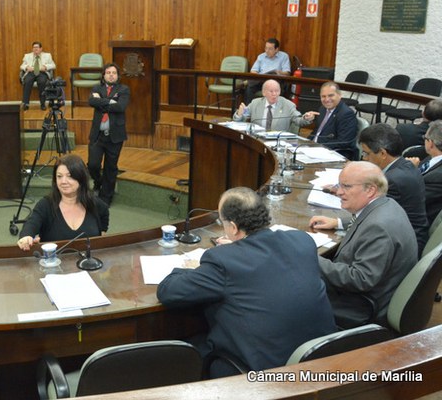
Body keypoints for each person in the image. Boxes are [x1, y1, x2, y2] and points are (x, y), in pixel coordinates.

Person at [157, 187, 336, 377]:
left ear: (233, 227)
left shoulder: (223, 261)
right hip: (322, 361)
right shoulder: (302, 241)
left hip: (267, 376)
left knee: (185, 353)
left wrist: (193, 267)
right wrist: (236, 248)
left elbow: (168, 291)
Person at [309, 161, 417, 328]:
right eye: (339, 185)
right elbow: (365, 218)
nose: (339, 192)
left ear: (370, 190)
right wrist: (338, 222)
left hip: (361, 307)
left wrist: (309, 257)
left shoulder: (378, 228)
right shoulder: (388, 205)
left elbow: (361, 279)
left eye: (346, 186)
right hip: (377, 292)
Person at [358, 123, 428, 254]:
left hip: (403, 246)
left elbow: (370, 216)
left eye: (366, 153)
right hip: (410, 234)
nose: (364, 158)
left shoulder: (392, 181)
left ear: (382, 153)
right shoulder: (405, 165)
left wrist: (339, 222)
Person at [17, 154, 109, 251]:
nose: (63, 181)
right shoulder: (46, 204)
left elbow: (104, 213)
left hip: (88, 260)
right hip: (55, 259)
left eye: (69, 176)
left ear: (81, 178)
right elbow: (31, 223)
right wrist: (26, 236)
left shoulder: (94, 203)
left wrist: (102, 233)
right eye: (59, 176)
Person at [88, 63, 129, 205]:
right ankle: (98, 181)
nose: (111, 75)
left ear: (118, 75)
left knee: (110, 168)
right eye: (108, 72)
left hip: (115, 136)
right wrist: (110, 101)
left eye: (114, 73)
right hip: (97, 135)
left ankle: (105, 198)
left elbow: (120, 106)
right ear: (103, 75)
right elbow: (91, 101)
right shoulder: (96, 88)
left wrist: (101, 102)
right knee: (92, 165)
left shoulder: (123, 89)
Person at [301, 81, 359, 160]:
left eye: (330, 95)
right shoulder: (322, 109)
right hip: (314, 151)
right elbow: (317, 132)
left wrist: (318, 147)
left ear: (339, 95)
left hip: (335, 154)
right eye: (323, 96)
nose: (327, 99)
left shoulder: (346, 114)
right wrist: (305, 143)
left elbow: (344, 142)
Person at [233, 79, 305, 132]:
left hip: (279, 141)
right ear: (264, 93)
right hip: (258, 140)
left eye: (277, 91)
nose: (274, 94)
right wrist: (239, 114)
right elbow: (239, 120)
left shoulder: (288, 105)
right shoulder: (255, 103)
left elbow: (299, 120)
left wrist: (306, 118)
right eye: (271, 91)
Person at [410, 120, 442, 227]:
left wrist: (411, 171)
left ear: (431, 143)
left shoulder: (437, 177)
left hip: (418, 222)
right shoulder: (432, 157)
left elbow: (414, 198)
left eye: (425, 138)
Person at [244, 38, 291, 102]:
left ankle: (247, 82)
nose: (267, 51)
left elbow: (287, 73)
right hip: (261, 82)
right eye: (266, 48)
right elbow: (253, 71)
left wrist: (278, 72)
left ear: (276, 49)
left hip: (275, 82)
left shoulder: (284, 56)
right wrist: (258, 76)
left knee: (273, 73)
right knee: (249, 87)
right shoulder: (261, 56)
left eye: (270, 49)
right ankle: (249, 107)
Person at [19, 41, 56, 110]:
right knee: (27, 81)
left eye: (37, 47)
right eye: (34, 47)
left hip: (42, 72)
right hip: (31, 72)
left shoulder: (47, 55)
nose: (35, 49)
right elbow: (22, 66)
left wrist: (46, 67)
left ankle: (42, 104)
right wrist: (27, 67)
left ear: (41, 49)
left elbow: (53, 65)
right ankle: (26, 103)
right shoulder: (27, 56)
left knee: (42, 82)